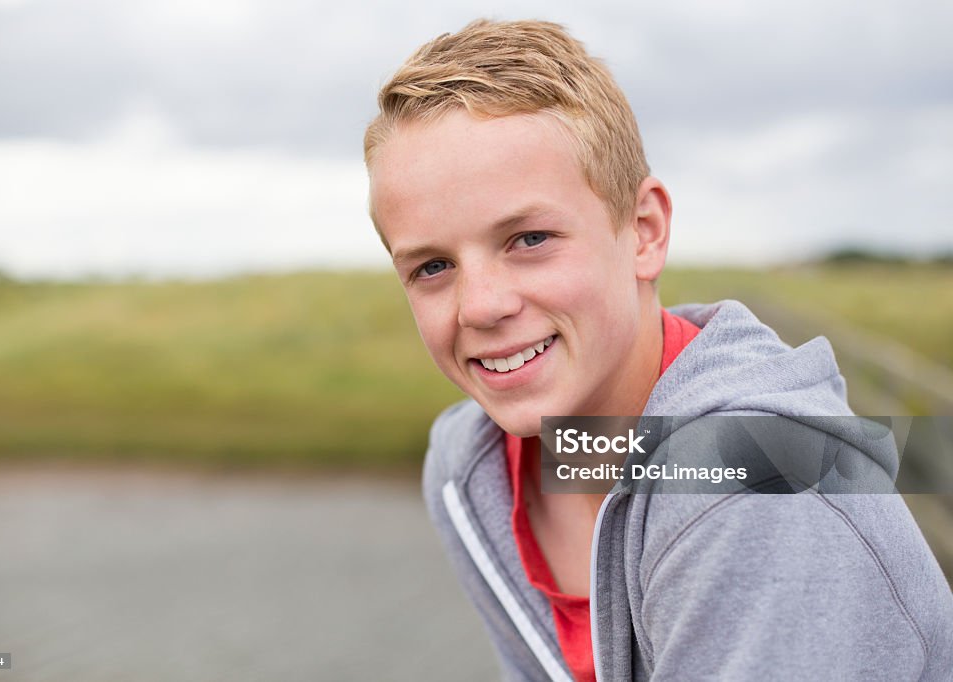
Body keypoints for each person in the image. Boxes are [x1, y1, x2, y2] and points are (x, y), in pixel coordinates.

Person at [363, 19, 953, 681]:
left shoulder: (764, 483)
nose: (480, 305)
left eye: (529, 239)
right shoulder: (469, 470)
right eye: (433, 267)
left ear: (644, 232)